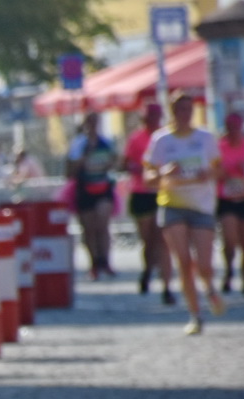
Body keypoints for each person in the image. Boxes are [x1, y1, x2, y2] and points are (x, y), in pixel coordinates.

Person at [144, 92, 223, 334]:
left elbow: (220, 170)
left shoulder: (205, 138)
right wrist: (164, 172)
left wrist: (208, 174)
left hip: (201, 205)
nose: (185, 114)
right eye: (180, 109)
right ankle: (195, 315)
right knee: (184, 262)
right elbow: (148, 177)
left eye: (189, 109)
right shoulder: (161, 140)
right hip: (172, 204)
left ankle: (208, 287)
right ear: (172, 111)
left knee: (204, 265)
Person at [124, 104, 173, 304]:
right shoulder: (136, 138)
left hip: (162, 192)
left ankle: (165, 284)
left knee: (162, 239)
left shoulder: (164, 137)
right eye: (148, 116)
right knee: (148, 239)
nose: (152, 119)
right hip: (141, 192)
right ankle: (147, 269)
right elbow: (125, 162)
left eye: (155, 116)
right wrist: (136, 167)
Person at [67, 112, 117, 279]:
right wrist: (83, 158)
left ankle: (105, 260)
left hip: (103, 187)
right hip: (84, 188)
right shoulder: (78, 144)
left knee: (102, 223)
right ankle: (94, 263)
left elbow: (114, 163)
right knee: (89, 228)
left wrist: (110, 162)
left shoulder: (106, 142)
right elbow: (70, 171)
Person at [215, 112, 244, 295]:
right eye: (229, 128)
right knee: (229, 239)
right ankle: (229, 269)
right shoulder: (219, 147)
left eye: (236, 128)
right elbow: (213, 171)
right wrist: (222, 173)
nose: (233, 131)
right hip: (227, 199)